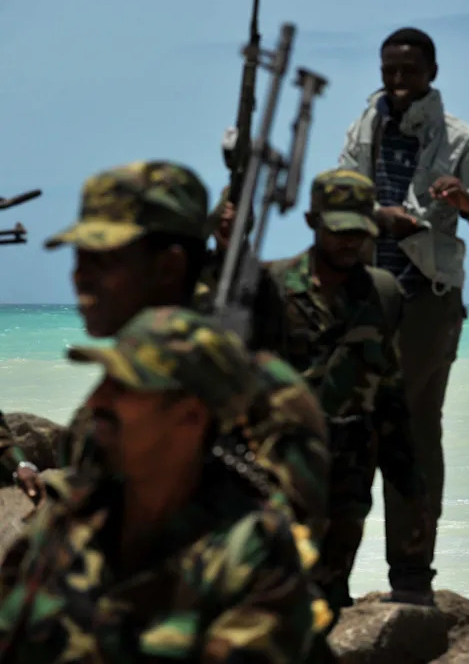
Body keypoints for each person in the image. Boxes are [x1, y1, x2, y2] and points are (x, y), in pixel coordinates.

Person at [25, 160, 331, 548]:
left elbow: (287, 549)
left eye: (102, 260)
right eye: (79, 257)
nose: (79, 276)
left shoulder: (266, 400)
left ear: (169, 266)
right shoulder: (109, 398)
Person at [0, 306, 325, 662]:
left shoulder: (251, 558)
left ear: (190, 416)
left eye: (125, 387)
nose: (96, 401)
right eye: (104, 381)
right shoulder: (70, 518)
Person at [337, 25, 469, 605]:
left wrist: (467, 203)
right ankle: (331, 579)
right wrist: (376, 217)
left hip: (426, 299)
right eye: (388, 70)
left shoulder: (461, 141)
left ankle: (411, 577)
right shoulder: (363, 128)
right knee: (347, 431)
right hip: (359, 296)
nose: (396, 82)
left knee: (413, 434)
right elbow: (336, 205)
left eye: (408, 71)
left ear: (432, 74)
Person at [265, 168, 411, 618]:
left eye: (359, 232)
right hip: (281, 464)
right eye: (339, 231)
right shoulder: (272, 287)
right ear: (312, 222)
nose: (350, 243)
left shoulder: (383, 292)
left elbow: (390, 390)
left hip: (350, 468)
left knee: (330, 594)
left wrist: (408, 481)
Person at [194, 184, 288, 353]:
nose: (227, 227)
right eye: (222, 224)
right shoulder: (195, 270)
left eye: (234, 227)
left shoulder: (262, 283)